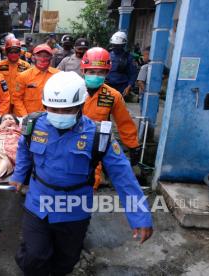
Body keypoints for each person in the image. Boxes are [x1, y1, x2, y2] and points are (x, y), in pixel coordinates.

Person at [9, 71, 153, 276]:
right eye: (52, 108)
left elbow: (123, 177)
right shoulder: (34, 125)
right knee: (33, 258)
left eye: (65, 109)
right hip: (38, 203)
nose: (58, 114)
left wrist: (140, 217)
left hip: (74, 209)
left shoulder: (98, 136)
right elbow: (24, 149)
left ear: (80, 105)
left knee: (66, 262)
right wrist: (18, 176)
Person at [81, 47, 141, 189]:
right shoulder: (73, 89)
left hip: (97, 143)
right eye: (91, 71)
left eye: (100, 72)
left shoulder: (113, 95)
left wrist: (133, 146)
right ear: (84, 71)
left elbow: (124, 122)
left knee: (92, 182)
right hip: (71, 140)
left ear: (107, 73)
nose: (96, 75)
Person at [12, 44, 60, 117]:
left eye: (46, 56)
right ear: (33, 57)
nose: (42, 58)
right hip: (29, 118)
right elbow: (17, 98)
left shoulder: (58, 75)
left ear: (51, 57)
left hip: (51, 117)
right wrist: (25, 116)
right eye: (39, 55)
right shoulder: (23, 76)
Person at [0, 38, 31, 112]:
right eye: (11, 52)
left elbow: (29, 85)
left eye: (16, 52)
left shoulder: (26, 66)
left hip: (20, 103)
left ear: (20, 52)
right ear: (6, 52)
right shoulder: (0, 65)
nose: (13, 54)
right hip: (4, 102)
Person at [106, 31, 138, 96]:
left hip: (121, 88)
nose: (115, 47)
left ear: (123, 45)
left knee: (118, 105)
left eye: (118, 46)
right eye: (114, 45)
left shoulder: (128, 57)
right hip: (107, 86)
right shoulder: (106, 55)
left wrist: (129, 87)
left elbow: (133, 74)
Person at [137, 46, 151, 112]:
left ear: (149, 55)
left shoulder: (144, 67)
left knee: (143, 112)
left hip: (144, 94)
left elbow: (140, 82)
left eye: (144, 55)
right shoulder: (158, 67)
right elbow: (167, 73)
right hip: (153, 94)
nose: (143, 57)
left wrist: (146, 92)